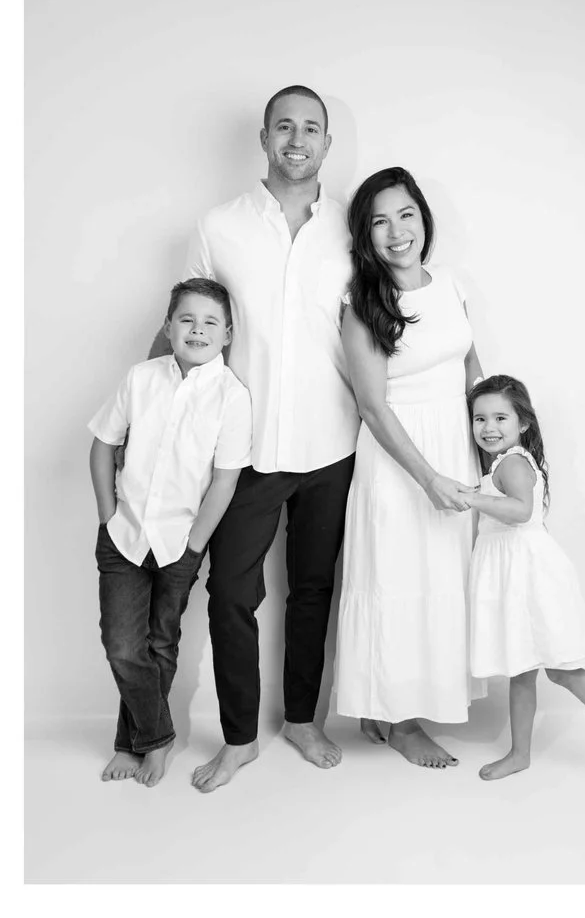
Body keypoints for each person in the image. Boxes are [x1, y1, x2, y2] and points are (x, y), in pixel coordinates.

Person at [180, 83, 355, 792]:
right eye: (284, 126)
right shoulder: (219, 226)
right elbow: (190, 333)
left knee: (313, 588)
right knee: (230, 595)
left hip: (332, 441)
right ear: (263, 138)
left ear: (326, 144)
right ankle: (240, 736)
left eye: (311, 128)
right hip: (245, 450)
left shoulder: (350, 229)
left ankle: (304, 718)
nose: (297, 139)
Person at [332, 166, 483, 768]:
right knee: (397, 581)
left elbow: (474, 369)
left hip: (455, 446)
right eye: (379, 221)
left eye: (406, 215)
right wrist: (428, 478)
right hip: (400, 460)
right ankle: (400, 720)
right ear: (365, 235)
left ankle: (390, 706)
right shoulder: (363, 302)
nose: (396, 232)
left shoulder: (450, 283)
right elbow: (371, 405)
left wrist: (494, 451)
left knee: (441, 580)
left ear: (424, 218)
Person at [88, 277, 252, 786]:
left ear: (227, 334)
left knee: (160, 643)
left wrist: (195, 544)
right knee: (121, 645)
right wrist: (107, 516)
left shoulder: (231, 396)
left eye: (210, 322)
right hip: (125, 535)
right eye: (187, 319)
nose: (197, 329)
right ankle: (157, 738)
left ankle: (131, 744)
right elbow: (101, 445)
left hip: (180, 541)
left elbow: (225, 481)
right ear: (168, 327)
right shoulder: (140, 378)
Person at [457, 374, 585, 780]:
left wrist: (471, 497)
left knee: (562, 668)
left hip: (529, 575)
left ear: (523, 423)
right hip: (514, 572)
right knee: (521, 668)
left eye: (500, 418)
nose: (489, 428)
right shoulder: (501, 463)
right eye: (479, 419)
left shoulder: (511, 463)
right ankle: (520, 753)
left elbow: (521, 510)